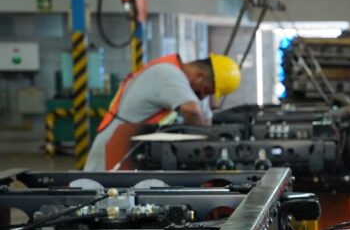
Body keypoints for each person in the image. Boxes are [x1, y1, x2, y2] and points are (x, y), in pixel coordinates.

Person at [84, 53, 240, 171]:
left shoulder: (176, 73)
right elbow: (193, 112)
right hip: (114, 150)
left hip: (128, 147)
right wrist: (206, 148)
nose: (204, 96)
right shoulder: (169, 74)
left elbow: (203, 115)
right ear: (200, 78)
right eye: (207, 91)